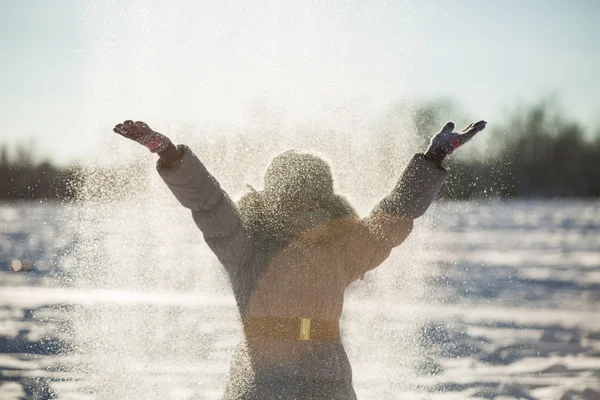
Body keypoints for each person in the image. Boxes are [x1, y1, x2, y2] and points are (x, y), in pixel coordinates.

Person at [113, 118, 487, 399]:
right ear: (273, 195)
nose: (301, 203)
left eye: (311, 194)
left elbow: (392, 216)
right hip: (260, 384)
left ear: (324, 198)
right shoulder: (245, 247)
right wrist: (170, 154)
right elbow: (208, 202)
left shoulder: (342, 247)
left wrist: (433, 159)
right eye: (291, 194)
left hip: (329, 382)